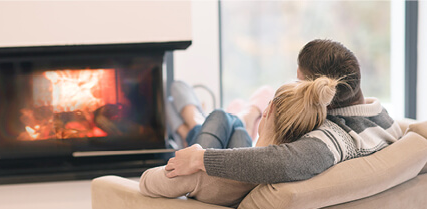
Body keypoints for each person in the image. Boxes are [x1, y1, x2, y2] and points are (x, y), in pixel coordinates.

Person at [164, 39, 403, 184]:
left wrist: (199, 158)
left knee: (209, 112)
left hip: (220, 188)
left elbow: (283, 162)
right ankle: (195, 125)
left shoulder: (332, 139)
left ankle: (193, 126)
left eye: (299, 83)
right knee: (229, 114)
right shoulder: (384, 118)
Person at [140, 76, 340, 207]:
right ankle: (232, 119)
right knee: (234, 123)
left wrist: (196, 154)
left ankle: (195, 127)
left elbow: (146, 182)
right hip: (240, 171)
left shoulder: (200, 175)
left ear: (268, 111)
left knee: (195, 105)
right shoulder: (283, 171)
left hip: (209, 185)